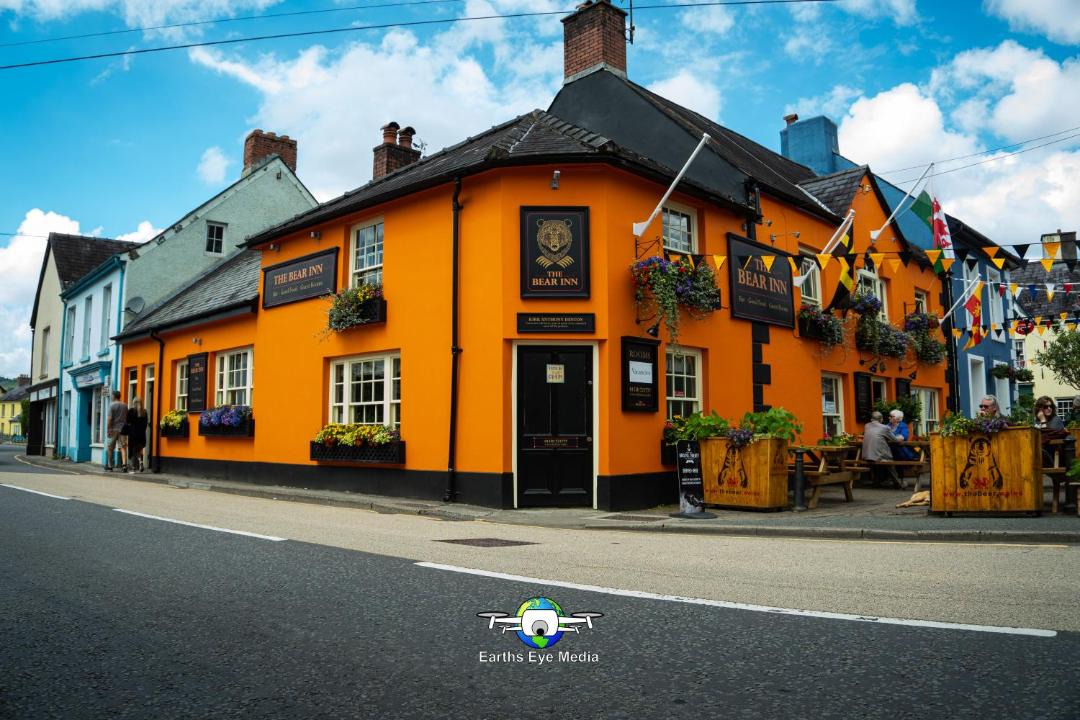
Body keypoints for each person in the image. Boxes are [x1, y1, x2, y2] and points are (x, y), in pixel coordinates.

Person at [862, 411, 902, 488]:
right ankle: (898, 483)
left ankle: (877, 481)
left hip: (866, 455)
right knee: (890, 462)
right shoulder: (885, 428)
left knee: (878, 458)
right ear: (881, 419)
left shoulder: (866, 426)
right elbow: (895, 440)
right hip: (878, 455)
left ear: (871, 419)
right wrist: (900, 437)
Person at [104, 390, 129, 471]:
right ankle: (124, 465)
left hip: (113, 429)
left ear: (114, 396)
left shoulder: (112, 405)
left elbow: (110, 419)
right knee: (123, 447)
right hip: (123, 429)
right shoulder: (125, 405)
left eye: (112, 395)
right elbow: (127, 418)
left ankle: (110, 466)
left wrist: (108, 429)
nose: (111, 397)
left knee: (110, 448)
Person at [126, 396, 149, 473]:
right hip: (141, 433)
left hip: (133, 433)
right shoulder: (144, 412)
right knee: (139, 449)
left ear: (134, 403)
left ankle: (133, 467)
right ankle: (141, 462)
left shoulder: (131, 411)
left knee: (133, 449)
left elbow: (127, 421)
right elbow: (146, 424)